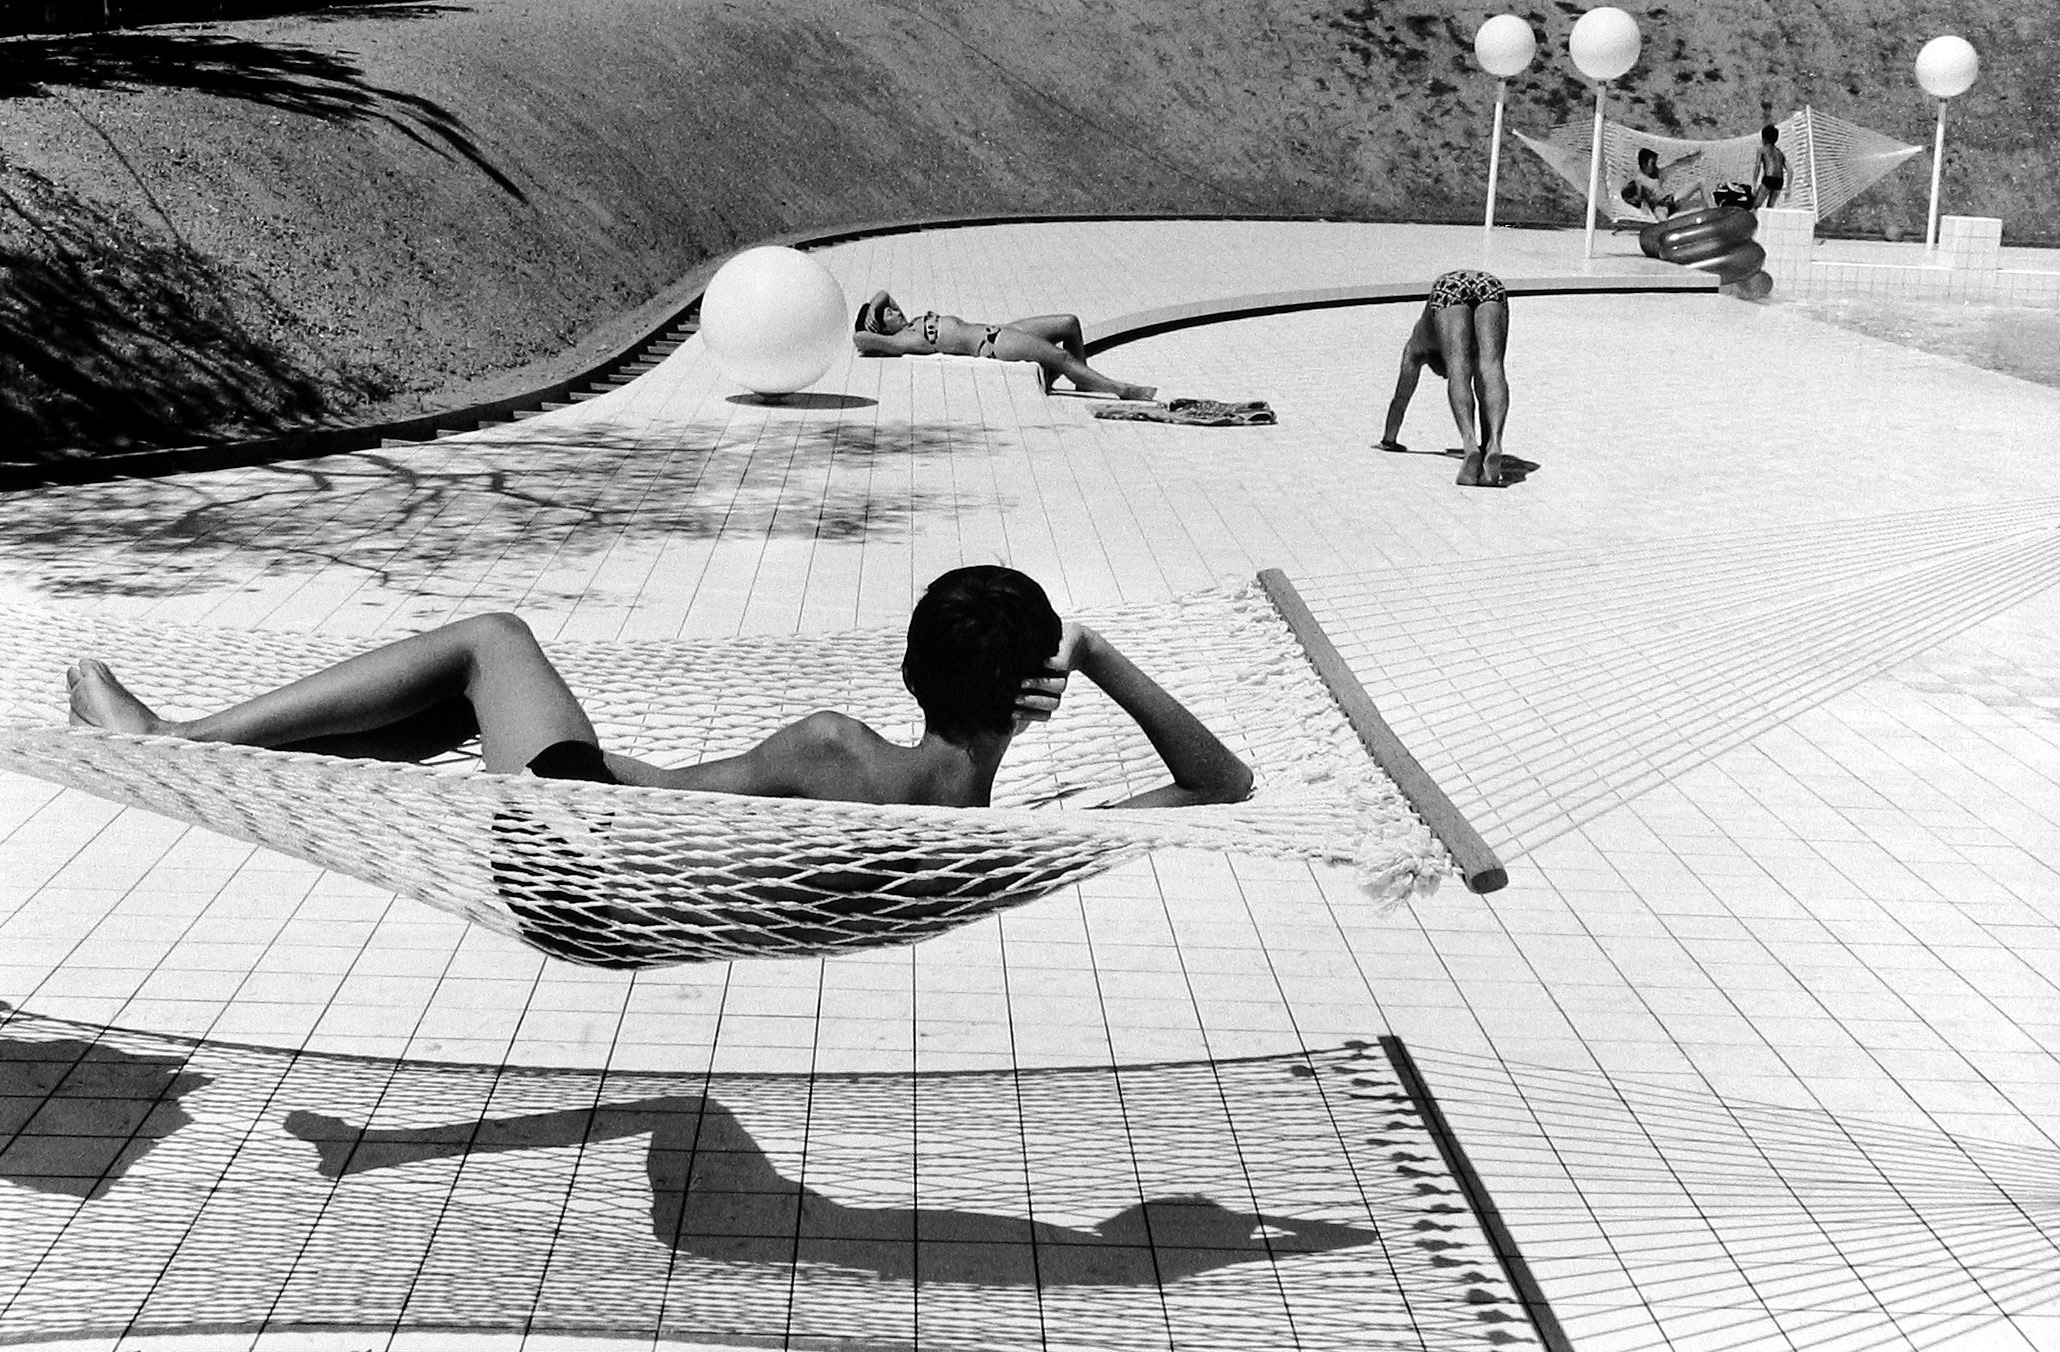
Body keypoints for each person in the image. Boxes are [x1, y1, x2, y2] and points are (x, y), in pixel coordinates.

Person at [63, 565, 1252, 812]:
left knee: (490, 640)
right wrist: (1096, 653)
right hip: (626, 878)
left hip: (585, 862)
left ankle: (173, 742)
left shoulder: (837, 750)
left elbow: (660, 806)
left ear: (911, 671)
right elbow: (1220, 784)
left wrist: (581, 756)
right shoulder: (1002, 840)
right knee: (436, 722)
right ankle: (213, 769)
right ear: (1029, 693)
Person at [853, 290, 1157, 402]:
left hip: (1000, 329)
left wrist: (874, 306)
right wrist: (869, 322)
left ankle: (1083, 379)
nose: (894, 310)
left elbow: (884, 293)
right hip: (993, 343)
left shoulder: (909, 324)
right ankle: (1120, 389)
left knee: (1069, 323)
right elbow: (860, 339)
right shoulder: (902, 340)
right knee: (1060, 356)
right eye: (887, 315)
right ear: (881, 328)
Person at [1374, 270, 1512, 488]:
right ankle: (1493, 444)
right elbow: (1483, 385)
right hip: (1489, 285)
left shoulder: (1415, 349)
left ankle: (1470, 446)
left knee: (1458, 369)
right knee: (1492, 366)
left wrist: (1388, 440)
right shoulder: (1470, 344)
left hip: (1449, 288)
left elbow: (1400, 399)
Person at [1753, 124, 1788, 209]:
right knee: (1770, 208)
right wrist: (1788, 187)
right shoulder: (1779, 152)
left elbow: (1757, 167)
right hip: (1779, 181)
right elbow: (1790, 170)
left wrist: (1754, 184)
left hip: (1769, 179)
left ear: (1764, 138)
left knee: (1755, 205)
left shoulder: (1762, 150)